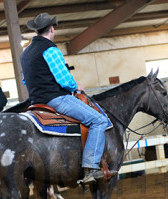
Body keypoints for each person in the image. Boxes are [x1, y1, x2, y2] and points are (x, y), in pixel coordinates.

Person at [20, 13, 116, 183]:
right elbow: (64, 80)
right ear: (51, 29)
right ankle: (90, 168)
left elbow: (25, 80)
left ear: (36, 30)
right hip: (56, 99)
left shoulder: (25, 53)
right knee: (99, 121)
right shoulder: (50, 49)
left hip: (35, 103)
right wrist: (76, 86)